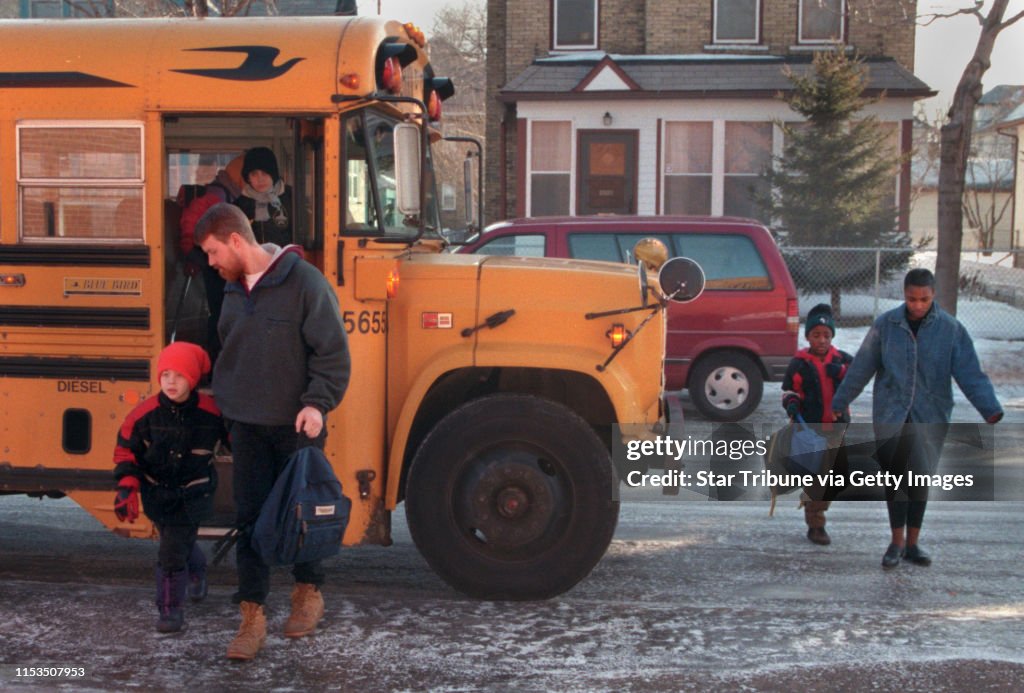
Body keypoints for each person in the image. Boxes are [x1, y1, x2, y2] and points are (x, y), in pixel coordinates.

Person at [194, 203, 350, 661]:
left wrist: (317, 404)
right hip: (247, 426)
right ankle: (252, 618)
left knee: (304, 517)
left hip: (297, 426)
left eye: (213, 251)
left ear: (237, 241)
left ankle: (307, 593)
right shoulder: (231, 291)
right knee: (250, 520)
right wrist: (227, 410)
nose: (211, 262)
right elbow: (231, 352)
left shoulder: (306, 283)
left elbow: (333, 354)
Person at [832, 268, 1002, 569]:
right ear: (904, 295)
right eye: (912, 299)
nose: (918, 305)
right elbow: (862, 366)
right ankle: (895, 542)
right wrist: (840, 401)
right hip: (892, 413)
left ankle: (913, 543)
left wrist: (989, 408)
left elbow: (969, 372)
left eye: (924, 299)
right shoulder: (887, 325)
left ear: (933, 295)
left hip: (931, 413)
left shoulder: (950, 330)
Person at [112, 341, 226, 633]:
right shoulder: (143, 415)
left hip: (193, 493)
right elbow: (126, 451)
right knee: (175, 540)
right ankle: (198, 572)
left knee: (171, 553)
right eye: (165, 376)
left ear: (193, 379)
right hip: (156, 493)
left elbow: (236, 440)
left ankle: (169, 609)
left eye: (179, 376)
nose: (171, 382)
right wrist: (127, 486)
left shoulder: (213, 413)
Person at [781, 303, 853, 546]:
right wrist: (791, 403)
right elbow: (789, 390)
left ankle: (816, 507)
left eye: (826, 335)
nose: (821, 340)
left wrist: (841, 371)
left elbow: (858, 375)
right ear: (808, 337)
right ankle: (816, 524)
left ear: (832, 336)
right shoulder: (800, 364)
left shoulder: (842, 360)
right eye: (816, 335)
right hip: (810, 430)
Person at [233, 146, 293, 247]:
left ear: (273, 174)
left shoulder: (292, 198)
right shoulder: (239, 206)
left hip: (287, 260)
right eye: (254, 174)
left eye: (265, 173)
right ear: (248, 178)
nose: (260, 179)